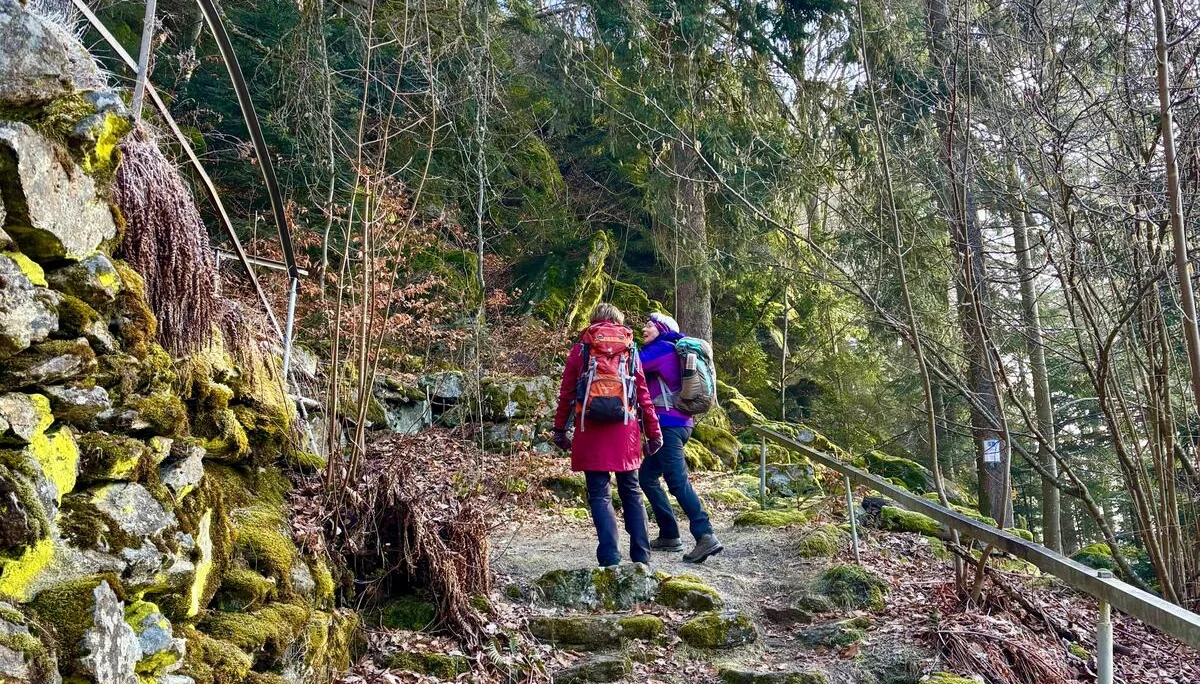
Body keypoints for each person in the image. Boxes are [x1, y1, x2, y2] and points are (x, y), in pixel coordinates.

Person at [552, 303, 663, 568]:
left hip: (589, 428)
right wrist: (654, 433)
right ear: (618, 322)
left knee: (599, 494)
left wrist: (559, 430)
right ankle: (641, 556)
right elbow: (643, 395)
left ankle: (610, 557)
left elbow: (567, 394)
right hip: (625, 430)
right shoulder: (630, 349)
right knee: (632, 491)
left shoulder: (581, 349)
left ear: (594, 321)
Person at [638, 312, 723, 563]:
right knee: (648, 476)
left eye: (649, 325)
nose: (644, 328)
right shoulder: (669, 350)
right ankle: (669, 534)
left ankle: (705, 534)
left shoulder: (661, 348)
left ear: (662, 329)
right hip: (679, 423)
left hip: (669, 425)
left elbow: (632, 365)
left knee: (677, 481)